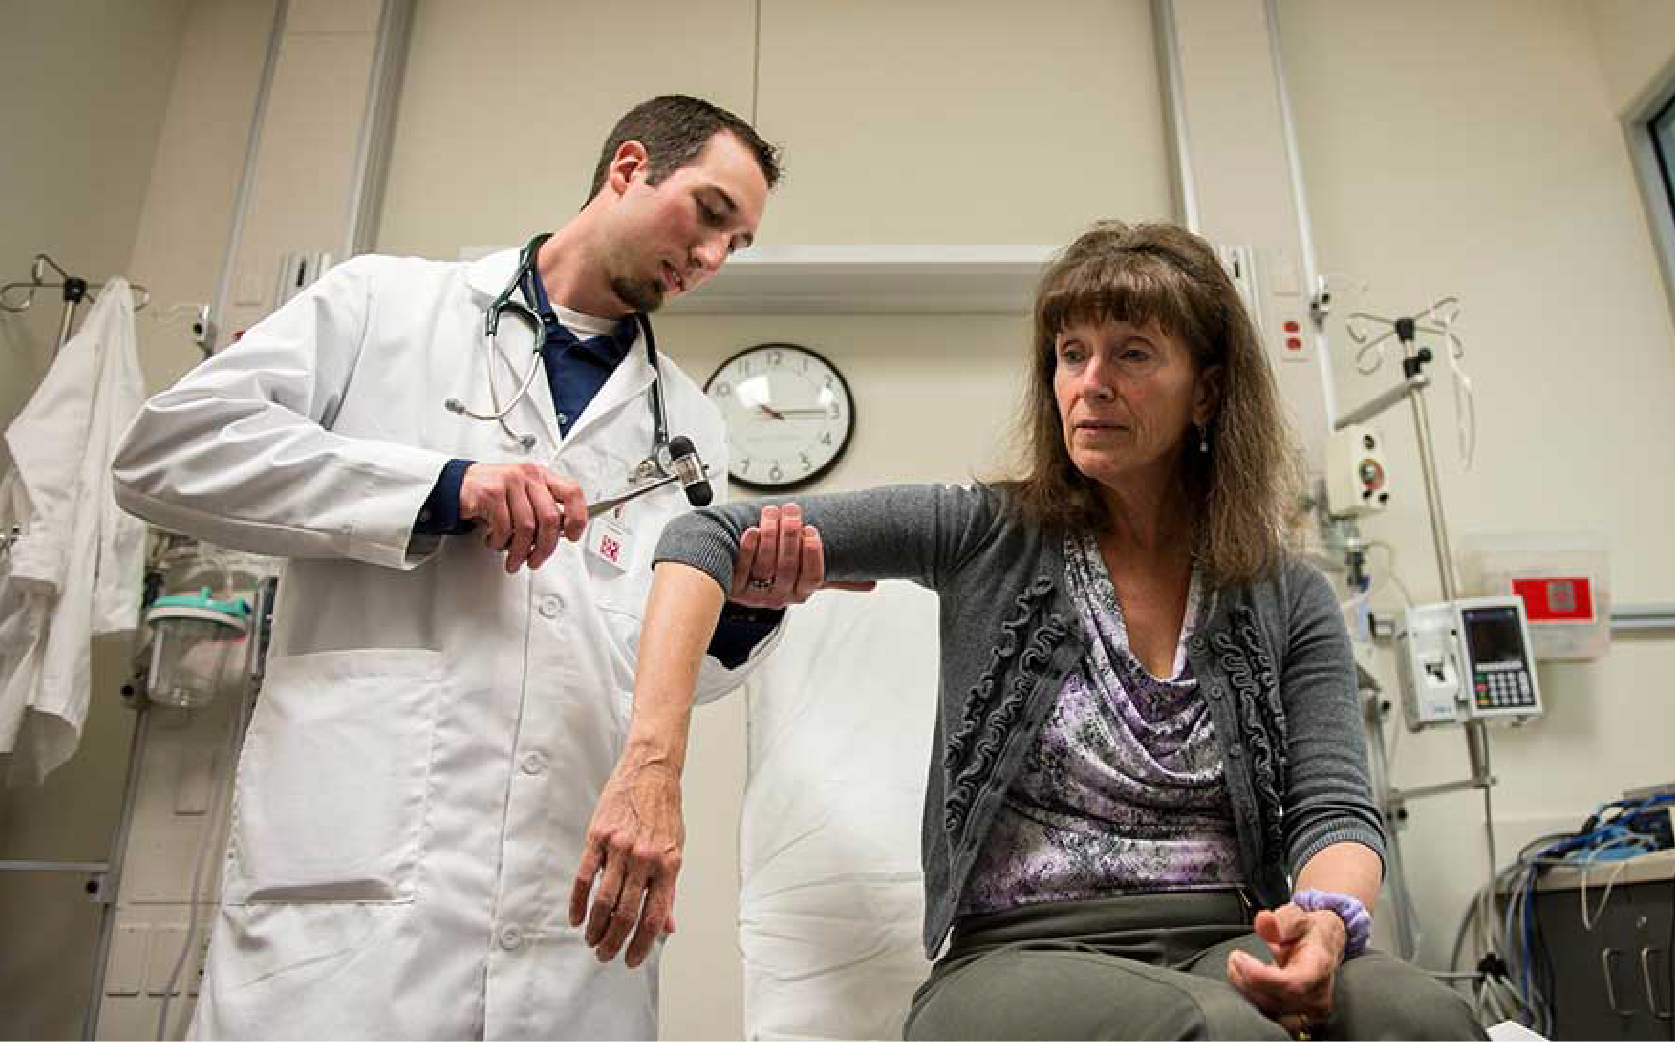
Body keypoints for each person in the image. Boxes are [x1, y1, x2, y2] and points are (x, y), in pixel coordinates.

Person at [576, 221, 1487, 1039]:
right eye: (1070, 354)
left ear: (1206, 392)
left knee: (1423, 1017)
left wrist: (1324, 923)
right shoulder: (982, 532)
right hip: (1012, 961)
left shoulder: (1285, 592)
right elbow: (701, 537)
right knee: (1222, 1036)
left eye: (1131, 354)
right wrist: (650, 770)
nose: (1089, 384)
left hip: (1222, 939)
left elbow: (1333, 805)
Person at [111, 95, 856, 1040]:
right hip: (357, 891)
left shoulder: (689, 429)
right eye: (709, 215)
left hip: (566, 906)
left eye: (736, 245)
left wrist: (742, 612)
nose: (711, 259)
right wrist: (441, 488)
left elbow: (657, 672)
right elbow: (165, 453)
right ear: (628, 167)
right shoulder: (383, 305)